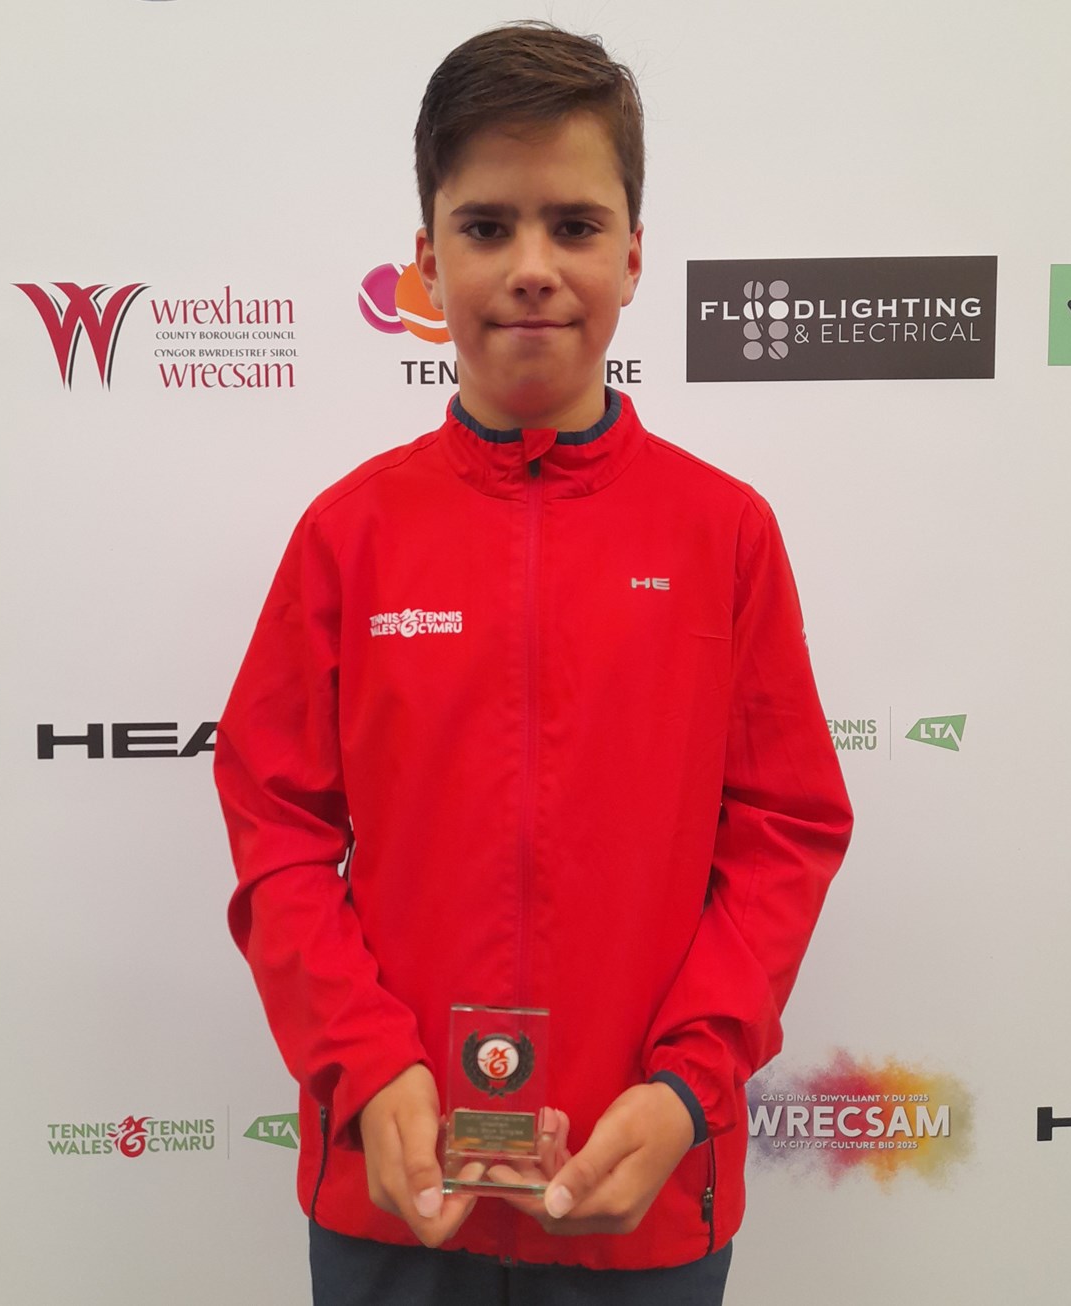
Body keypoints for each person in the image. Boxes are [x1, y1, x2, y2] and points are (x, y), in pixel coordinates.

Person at [214, 20, 852, 1305]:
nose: (532, 268)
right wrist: (365, 1061)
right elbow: (276, 824)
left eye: (572, 224)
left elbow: (783, 831)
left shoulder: (724, 533)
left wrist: (685, 1086)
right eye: (487, 225)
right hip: (396, 1188)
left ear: (632, 255)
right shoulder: (351, 534)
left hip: (642, 1188)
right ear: (423, 265)